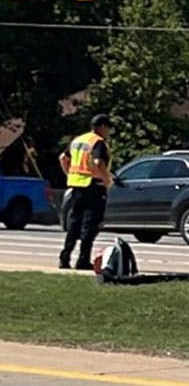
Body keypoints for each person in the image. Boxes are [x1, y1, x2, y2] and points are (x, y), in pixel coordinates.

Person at [58, 114, 114, 270]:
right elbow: (98, 162)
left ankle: (65, 257)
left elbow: (63, 157)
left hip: (76, 185)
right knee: (90, 224)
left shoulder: (78, 140)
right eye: (108, 128)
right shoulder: (98, 142)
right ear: (102, 127)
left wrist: (69, 174)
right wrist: (106, 181)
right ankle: (83, 259)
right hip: (93, 186)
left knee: (74, 223)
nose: (108, 132)